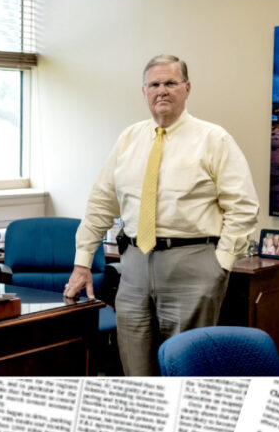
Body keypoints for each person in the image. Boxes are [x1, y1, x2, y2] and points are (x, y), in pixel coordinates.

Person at [63, 54, 259, 376]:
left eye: (170, 83)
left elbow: (243, 206)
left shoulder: (213, 139)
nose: (162, 91)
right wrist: (83, 262)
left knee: (186, 369)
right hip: (134, 268)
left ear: (187, 88)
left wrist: (220, 263)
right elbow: (101, 202)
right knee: (136, 366)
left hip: (193, 265)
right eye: (154, 84)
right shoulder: (128, 139)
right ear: (144, 91)